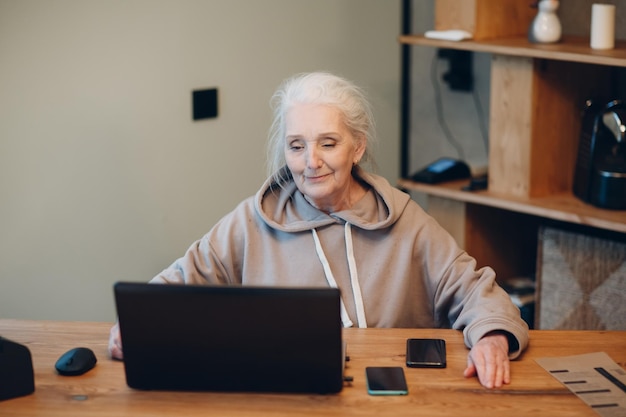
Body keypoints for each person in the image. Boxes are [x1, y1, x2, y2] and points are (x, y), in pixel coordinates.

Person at [108, 71, 529, 389]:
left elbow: (477, 292)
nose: (311, 161)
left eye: (328, 143)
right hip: (285, 397)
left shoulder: (406, 219)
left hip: (389, 398)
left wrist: (491, 335)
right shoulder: (252, 220)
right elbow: (181, 280)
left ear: (357, 147)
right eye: (297, 145)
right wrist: (136, 328)